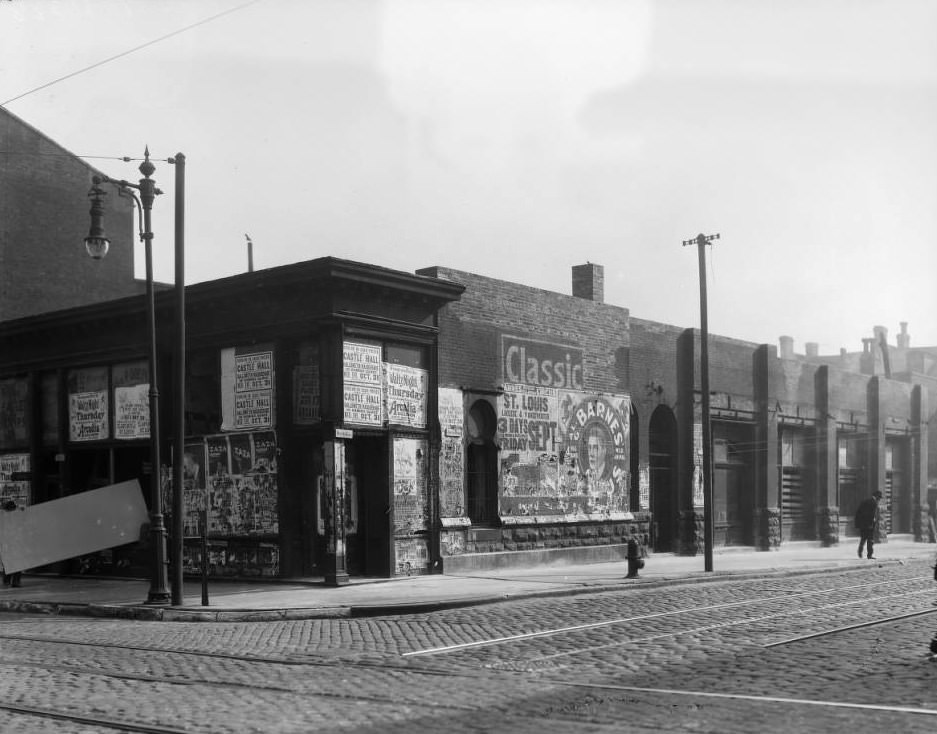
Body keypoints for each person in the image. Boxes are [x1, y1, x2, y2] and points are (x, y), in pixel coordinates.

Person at [855, 490, 882, 560]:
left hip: (862, 524)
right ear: (877, 497)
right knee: (870, 540)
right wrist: (872, 522)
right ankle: (869, 555)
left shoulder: (864, 501)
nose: (879, 500)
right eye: (879, 498)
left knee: (863, 538)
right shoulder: (874, 503)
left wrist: (859, 524)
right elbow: (871, 515)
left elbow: (858, 512)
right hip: (869, 524)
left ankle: (860, 551)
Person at [1, 500, 22, 588]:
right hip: (11, 543)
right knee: (13, 562)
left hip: (12, 543)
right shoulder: (6, 517)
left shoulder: (8, 517)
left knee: (12, 562)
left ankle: (9, 581)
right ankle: (12, 581)